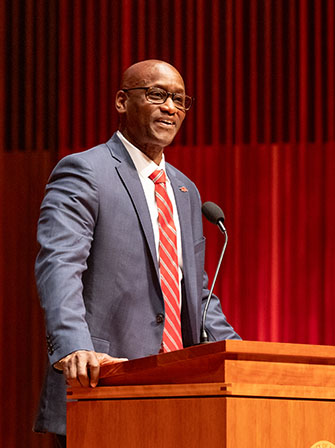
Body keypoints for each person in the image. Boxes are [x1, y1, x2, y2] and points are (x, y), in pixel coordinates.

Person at [34, 59, 240, 444]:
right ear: (121, 102)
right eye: (157, 95)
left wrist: (241, 357)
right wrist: (75, 344)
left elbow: (196, 293)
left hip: (183, 392)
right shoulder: (84, 171)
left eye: (180, 100)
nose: (171, 108)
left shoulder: (185, 190)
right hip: (105, 383)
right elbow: (60, 264)